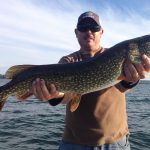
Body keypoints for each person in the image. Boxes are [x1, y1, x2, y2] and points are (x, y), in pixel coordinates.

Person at [32, 11, 150, 150]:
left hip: (116, 142)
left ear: (101, 32)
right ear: (76, 33)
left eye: (94, 28)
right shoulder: (68, 61)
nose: (89, 31)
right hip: (75, 143)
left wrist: (131, 79)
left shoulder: (115, 56)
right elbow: (65, 95)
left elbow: (123, 86)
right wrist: (54, 94)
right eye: (83, 28)